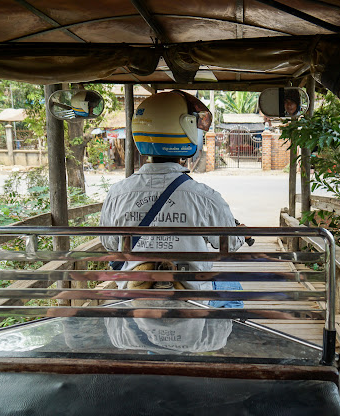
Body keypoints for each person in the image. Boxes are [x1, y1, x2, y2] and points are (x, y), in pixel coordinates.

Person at [99, 90, 245, 307]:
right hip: (191, 298)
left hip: (134, 299)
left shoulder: (117, 194)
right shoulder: (205, 197)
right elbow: (230, 244)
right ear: (185, 130)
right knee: (234, 290)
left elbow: (110, 242)